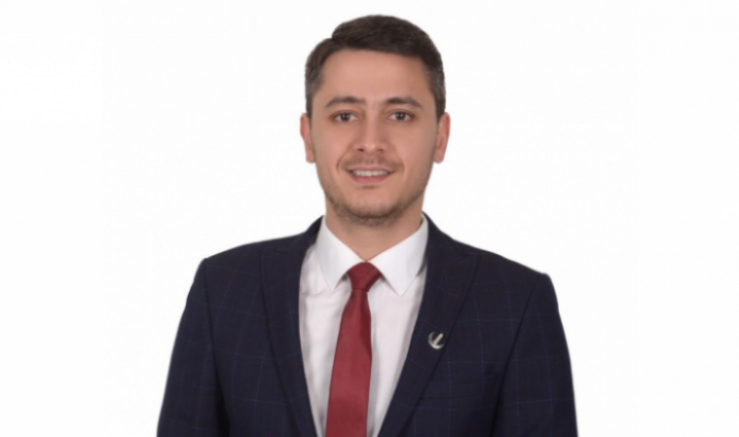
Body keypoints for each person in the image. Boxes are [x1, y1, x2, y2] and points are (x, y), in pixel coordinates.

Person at [157, 14, 578, 437]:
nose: (371, 141)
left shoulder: (514, 304)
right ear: (308, 136)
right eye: (345, 115)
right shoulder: (224, 290)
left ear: (440, 137)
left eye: (400, 115)